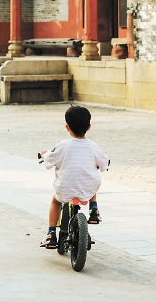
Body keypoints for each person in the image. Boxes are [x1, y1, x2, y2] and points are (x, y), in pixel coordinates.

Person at [39, 106, 109, 249]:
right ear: (89, 127)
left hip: (65, 189)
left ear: (67, 127)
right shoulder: (93, 146)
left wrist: (43, 154)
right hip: (88, 189)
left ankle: (51, 234)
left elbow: (50, 160)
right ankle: (93, 209)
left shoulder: (63, 145)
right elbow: (104, 164)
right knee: (91, 178)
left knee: (55, 201)